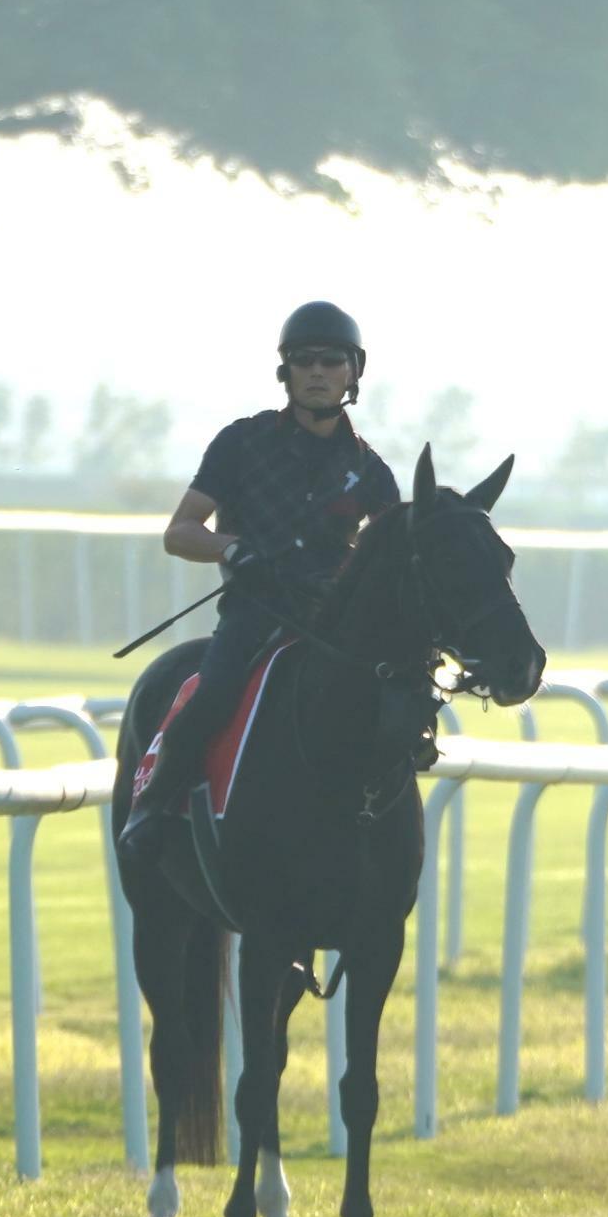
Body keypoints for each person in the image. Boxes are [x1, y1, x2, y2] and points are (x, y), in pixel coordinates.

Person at [118, 301, 399, 869]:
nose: (317, 371)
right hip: (253, 615)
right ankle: (153, 805)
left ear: (353, 372)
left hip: (330, 628)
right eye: (303, 360)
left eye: (330, 360)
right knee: (214, 692)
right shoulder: (240, 443)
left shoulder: (372, 470)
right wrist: (233, 549)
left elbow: (392, 560)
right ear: (285, 371)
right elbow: (180, 532)